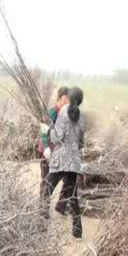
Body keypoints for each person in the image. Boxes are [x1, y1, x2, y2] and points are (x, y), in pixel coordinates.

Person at [41, 86, 85, 240]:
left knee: (47, 190)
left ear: (70, 98)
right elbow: (81, 142)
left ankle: (40, 225)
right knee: (72, 197)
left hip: (60, 161)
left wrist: (47, 130)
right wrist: (73, 149)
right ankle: (77, 232)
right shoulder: (81, 118)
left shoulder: (63, 113)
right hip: (73, 163)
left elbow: (57, 138)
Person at [39, 86, 70, 214]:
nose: (68, 101)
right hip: (47, 153)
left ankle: (61, 206)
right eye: (65, 98)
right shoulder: (52, 111)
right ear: (59, 97)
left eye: (70, 99)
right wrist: (46, 148)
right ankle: (43, 211)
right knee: (46, 180)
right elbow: (43, 130)